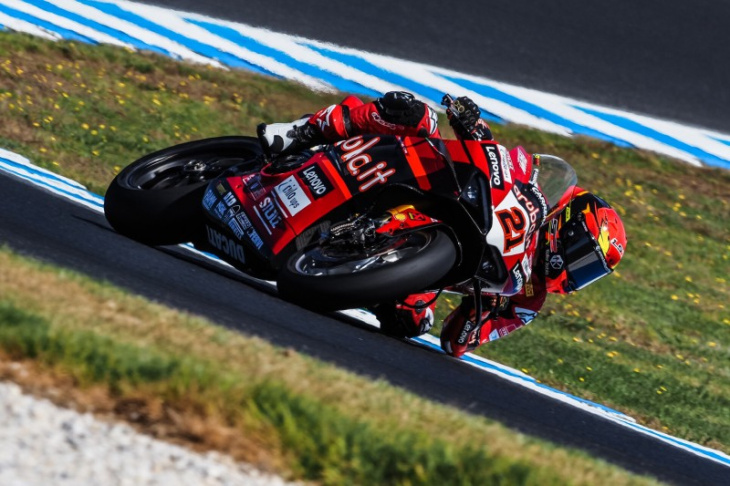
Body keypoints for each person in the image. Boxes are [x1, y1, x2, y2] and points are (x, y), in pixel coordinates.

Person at [258, 91, 626, 358]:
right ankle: (301, 132)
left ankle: (342, 260)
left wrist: (482, 316)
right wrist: (473, 125)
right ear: (566, 226)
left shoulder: (528, 301)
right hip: (432, 188)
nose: (577, 273)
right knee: (414, 114)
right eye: (582, 259)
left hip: (433, 267)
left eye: (589, 271)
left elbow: (457, 341)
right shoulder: (532, 184)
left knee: (411, 323)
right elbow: (496, 160)